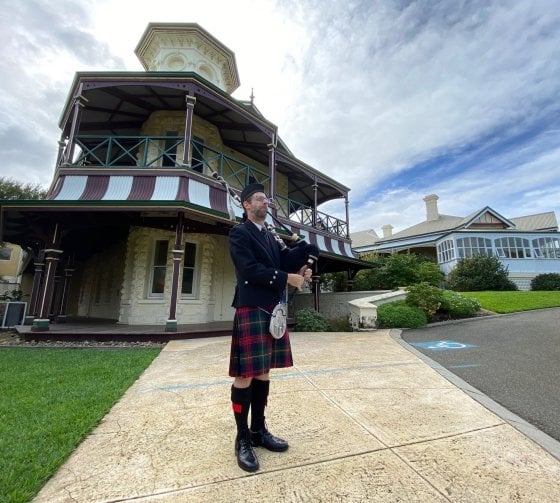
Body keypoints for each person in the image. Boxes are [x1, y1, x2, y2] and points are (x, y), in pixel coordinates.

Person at [228, 182, 319, 472]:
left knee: (263, 372)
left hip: (271, 310)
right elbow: (250, 270)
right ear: (246, 205)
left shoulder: (269, 236)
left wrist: (306, 254)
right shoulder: (239, 233)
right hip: (251, 305)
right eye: (259, 199)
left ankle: (258, 431)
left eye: (267, 199)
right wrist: (287, 278)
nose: (266, 202)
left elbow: (286, 259)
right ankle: (242, 438)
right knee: (246, 375)